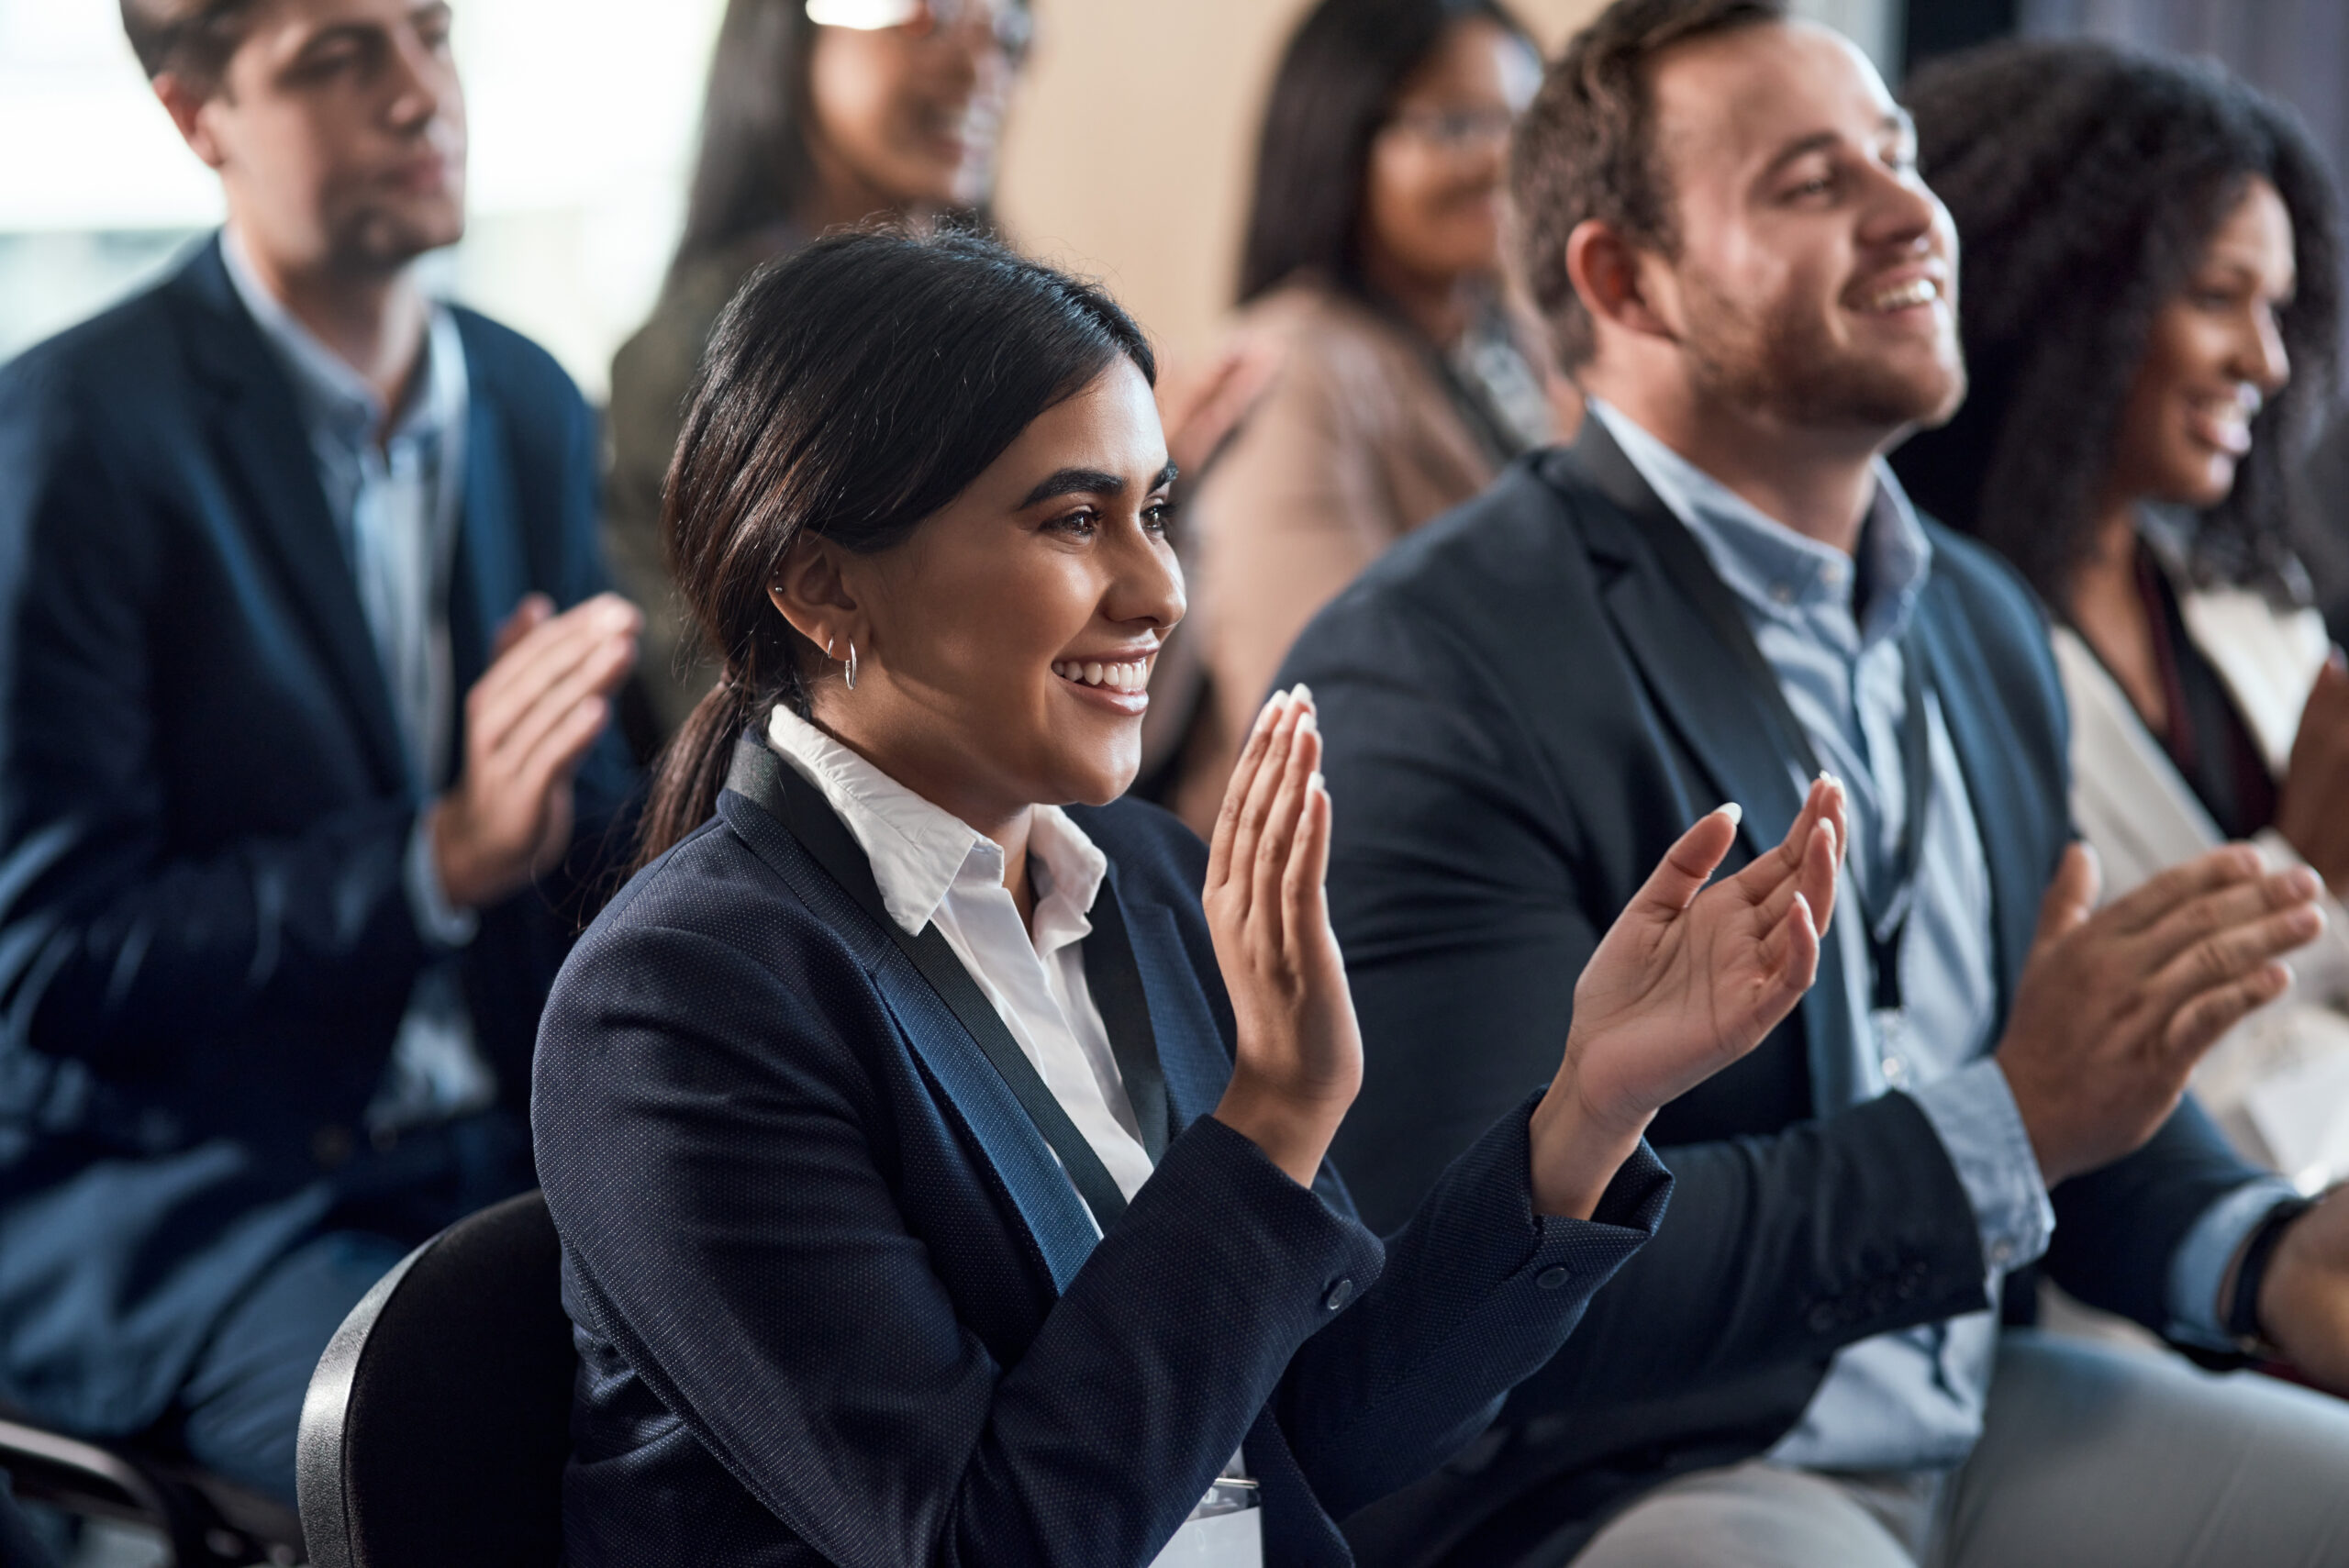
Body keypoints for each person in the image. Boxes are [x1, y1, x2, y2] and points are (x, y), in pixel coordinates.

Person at [530, 228, 1854, 1566]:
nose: (1160, 587)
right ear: (823, 586)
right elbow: (983, 1548)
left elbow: (1305, 1438)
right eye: (1073, 519)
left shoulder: (1152, 881)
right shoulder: (679, 1006)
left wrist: (1592, 1105)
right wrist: (1271, 1115)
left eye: (1155, 510)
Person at [1280, 3, 2349, 1564]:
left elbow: (2075, 1090)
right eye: (1808, 181)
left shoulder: (1980, 616)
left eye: (1898, 157)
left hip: (1971, 1413)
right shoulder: (1433, 665)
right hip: (1614, 1476)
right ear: (1620, 278)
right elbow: (1458, 1302)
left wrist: (2276, 1252)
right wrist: (2011, 1118)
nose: (1912, 209)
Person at [0, 0, 639, 1506]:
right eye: (340, 58)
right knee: (481, 1458)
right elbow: (51, 958)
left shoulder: (531, 400)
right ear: (194, 116)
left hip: (494, 1145)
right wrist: (438, 857)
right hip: (194, 1198)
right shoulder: (70, 442)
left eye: (429, 32)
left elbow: (594, 846)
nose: (423, 96)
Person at [1892, 41, 2349, 1192]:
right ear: (2061, 300)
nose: (2264, 357)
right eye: (2213, 298)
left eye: (2278, 310)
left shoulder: (2245, 608)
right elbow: (2122, 1115)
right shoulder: (1931, 651)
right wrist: (2312, 887)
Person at [1168, 0, 1567, 832]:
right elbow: (1319, 704)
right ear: (1341, 141)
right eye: (1458, 126)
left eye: (1522, 124)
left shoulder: (1515, 341)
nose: (1501, 158)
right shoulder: (1294, 364)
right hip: (1340, 877)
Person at [604, 0, 1030, 742]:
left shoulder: (1036, 343)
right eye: (928, 17)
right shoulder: (692, 356)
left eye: (1008, 28)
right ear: (788, 32)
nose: (980, 65)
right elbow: (734, 720)